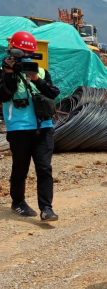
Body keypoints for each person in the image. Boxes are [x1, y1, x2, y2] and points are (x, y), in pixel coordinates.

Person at [0, 31, 60, 221]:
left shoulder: (41, 72)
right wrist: (9, 73)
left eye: (29, 53)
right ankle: (18, 202)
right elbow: (4, 96)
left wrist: (36, 78)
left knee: (44, 168)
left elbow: (53, 94)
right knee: (20, 167)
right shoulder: (4, 72)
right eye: (21, 53)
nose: (25, 57)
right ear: (11, 52)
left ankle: (46, 208)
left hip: (43, 127)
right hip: (18, 129)